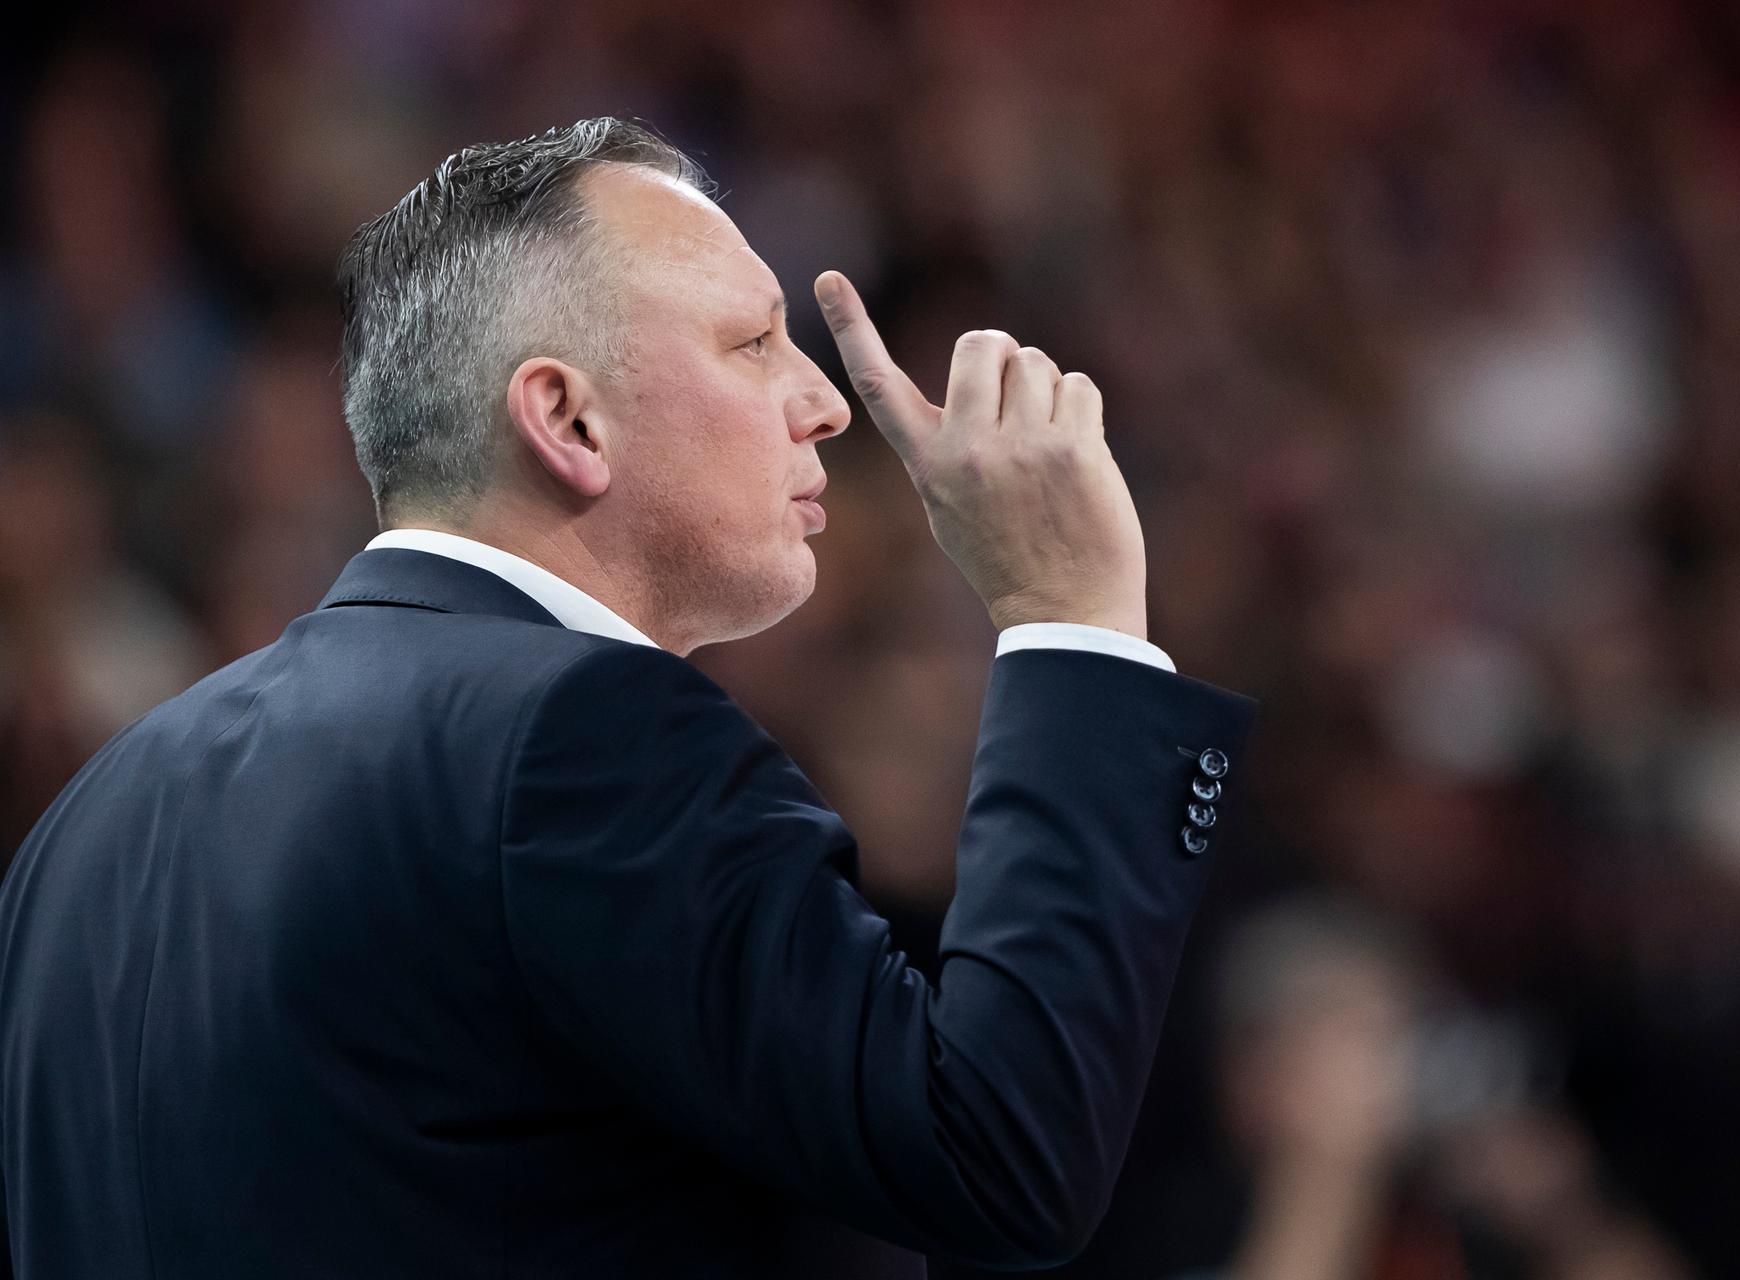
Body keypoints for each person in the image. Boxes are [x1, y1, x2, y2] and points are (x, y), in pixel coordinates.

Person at [0, 117, 1256, 1277]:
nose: (824, 403)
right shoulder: (578, 735)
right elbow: (998, 1147)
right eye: (753, 342)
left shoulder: (86, 820)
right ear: (568, 418)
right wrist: (1070, 618)